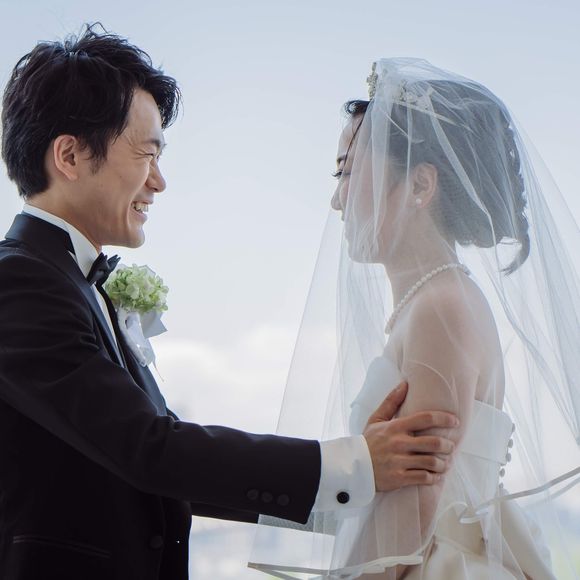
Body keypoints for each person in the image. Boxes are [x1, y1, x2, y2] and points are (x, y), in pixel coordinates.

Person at [0, 29, 461, 580]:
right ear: (71, 155)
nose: (159, 182)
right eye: (147, 154)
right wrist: (356, 465)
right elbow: (148, 449)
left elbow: (167, 468)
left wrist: (360, 491)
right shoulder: (17, 282)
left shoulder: (72, 283)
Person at [249, 59, 580, 578]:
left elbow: (413, 510)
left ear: (421, 185)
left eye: (347, 172)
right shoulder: (433, 303)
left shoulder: (441, 310)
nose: (336, 199)